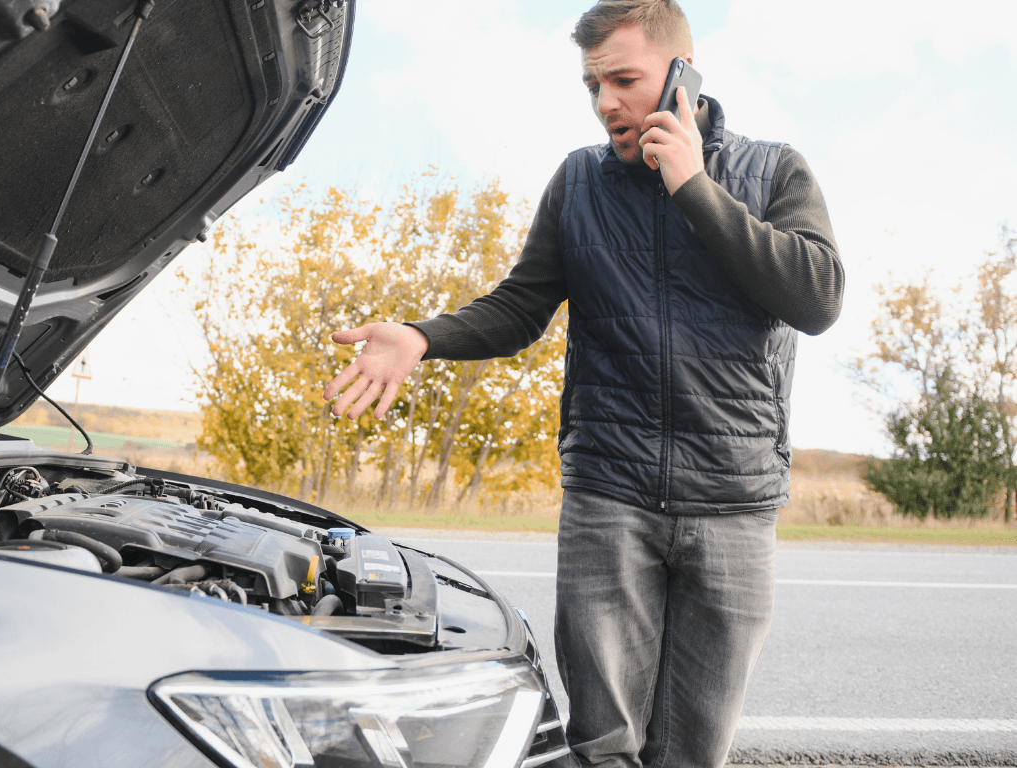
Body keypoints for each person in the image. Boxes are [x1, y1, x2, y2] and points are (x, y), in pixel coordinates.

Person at [321, 1, 844, 766]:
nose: (606, 104)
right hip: (610, 499)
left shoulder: (773, 171)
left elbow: (818, 299)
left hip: (732, 504)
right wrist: (422, 337)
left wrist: (694, 185)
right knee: (601, 749)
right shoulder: (579, 183)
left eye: (625, 80)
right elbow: (520, 307)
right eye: (593, 86)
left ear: (682, 76)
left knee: (693, 755)